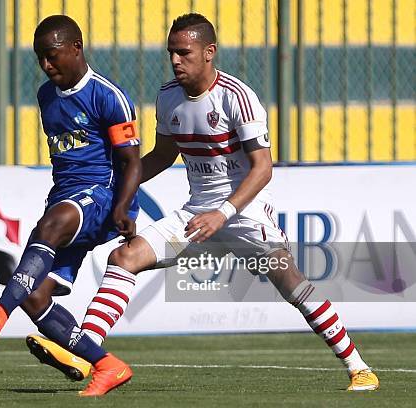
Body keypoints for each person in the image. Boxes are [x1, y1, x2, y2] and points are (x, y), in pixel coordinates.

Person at [30, 13, 379, 392]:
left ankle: (359, 367)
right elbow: (162, 155)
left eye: (184, 53)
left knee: (291, 282)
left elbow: (262, 169)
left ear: (209, 52)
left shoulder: (238, 97)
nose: (176, 60)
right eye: (171, 53)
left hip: (244, 215)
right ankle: (87, 354)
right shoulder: (168, 96)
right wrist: (116, 191)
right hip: (196, 216)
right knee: (124, 258)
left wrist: (223, 212)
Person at [0, 14, 141, 397]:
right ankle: (107, 365)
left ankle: (1, 310)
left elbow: (132, 161)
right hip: (65, 197)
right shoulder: (46, 96)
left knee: (49, 227)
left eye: (52, 55)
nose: (46, 65)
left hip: (102, 197)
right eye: (39, 58)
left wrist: (122, 208)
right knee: (35, 295)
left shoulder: (107, 96)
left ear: (76, 48)